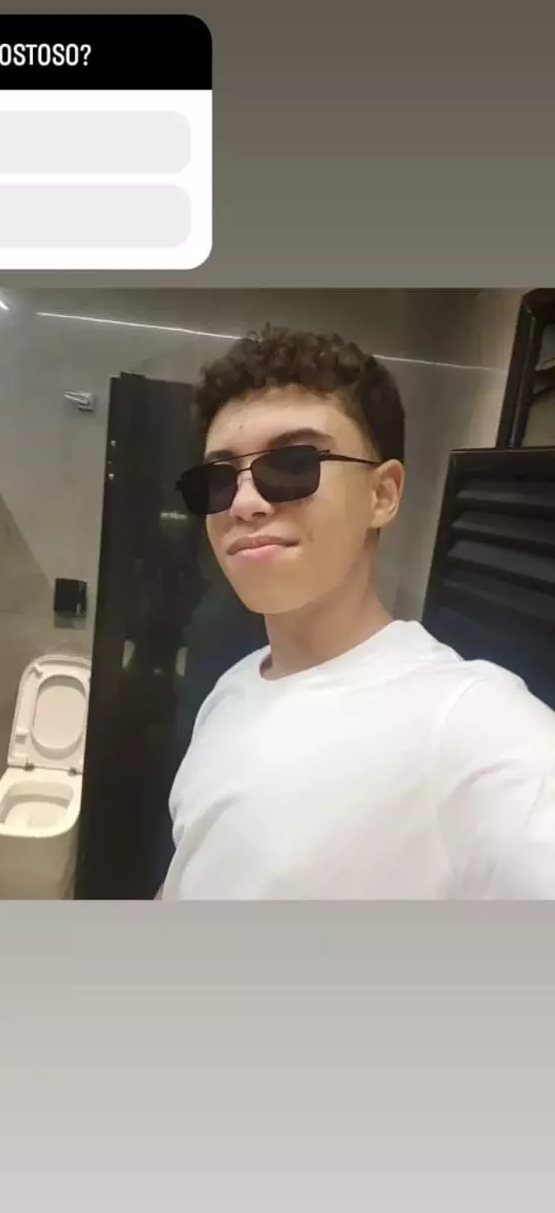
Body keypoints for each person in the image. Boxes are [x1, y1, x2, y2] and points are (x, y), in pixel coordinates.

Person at [156, 325, 555, 899]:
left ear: (382, 494)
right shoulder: (232, 688)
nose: (243, 503)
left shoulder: (471, 725)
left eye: (292, 464)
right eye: (218, 479)